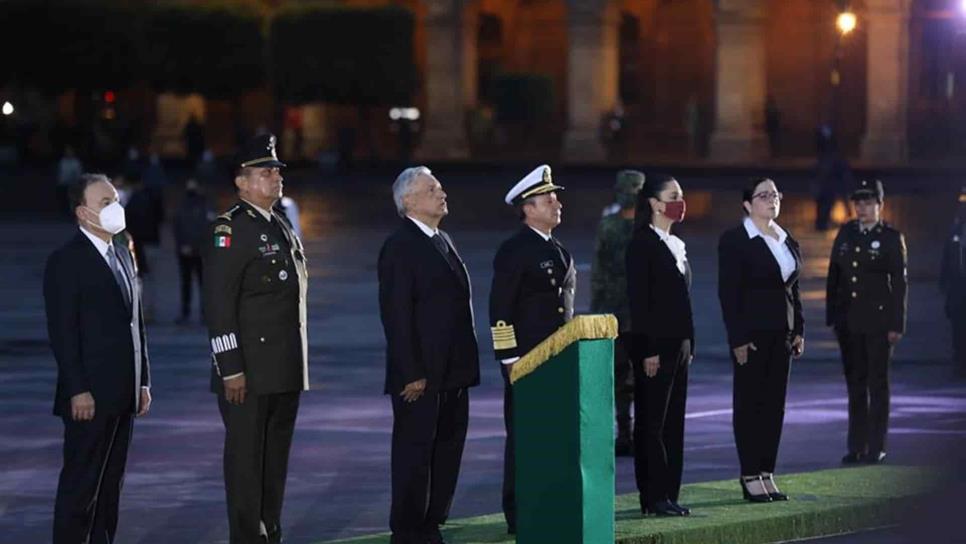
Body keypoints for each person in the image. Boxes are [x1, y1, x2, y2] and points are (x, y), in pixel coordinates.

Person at [202, 134, 309, 544]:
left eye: (277, 170)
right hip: (248, 371)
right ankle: (247, 535)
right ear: (241, 182)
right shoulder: (229, 231)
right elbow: (219, 306)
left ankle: (270, 529)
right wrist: (231, 370)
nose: (275, 177)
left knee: (275, 459)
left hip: (283, 367)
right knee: (247, 462)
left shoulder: (279, 224)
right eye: (265, 172)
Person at [43, 173, 152, 543]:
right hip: (88, 396)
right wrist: (78, 389)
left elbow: (135, 321)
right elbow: (63, 333)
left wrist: (143, 380)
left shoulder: (122, 252)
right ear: (83, 213)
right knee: (81, 486)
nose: (115, 208)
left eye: (116, 200)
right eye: (105, 203)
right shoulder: (66, 261)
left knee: (110, 487)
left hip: (123, 391)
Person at [377, 166, 480, 544]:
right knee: (415, 452)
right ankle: (408, 529)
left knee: (447, 449)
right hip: (421, 375)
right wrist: (411, 372)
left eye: (439, 186)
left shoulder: (442, 238)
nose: (442, 193)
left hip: (452, 372)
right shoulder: (400, 246)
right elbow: (397, 315)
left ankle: (431, 521)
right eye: (432, 188)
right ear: (409, 201)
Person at [489, 164, 574, 535]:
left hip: (558, 360)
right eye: (548, 199)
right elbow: (500, 309)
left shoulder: (556, 248)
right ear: (527, 208)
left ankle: (549, 502)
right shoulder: (515, 250)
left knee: (553, 437)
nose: (557, 203)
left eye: (556, 197)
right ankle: (519, 512)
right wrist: (510, 359)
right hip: (528, 360)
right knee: (525, 439)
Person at [718, 177, 804, 503]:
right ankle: (750, 473)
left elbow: (793, 290)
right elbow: (729, 293)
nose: (771, 200)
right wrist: (737, 338)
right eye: (763, 195)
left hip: (782, 336)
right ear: (747, 203)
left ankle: (767, 471)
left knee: (774, 408)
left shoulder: (786, 238)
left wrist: (799, 330)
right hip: (751, 337)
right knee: (750, 406)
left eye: (775, 195)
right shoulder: (736, 240)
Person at [625, 174, 694, 517]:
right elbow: (641, 301)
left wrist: (689, 343)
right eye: (672, 195)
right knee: (652, 422)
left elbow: (683, 300)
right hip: (656, 346)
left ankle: (670, 491)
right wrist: (649, 348)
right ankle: (652, 496)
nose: (679, 201)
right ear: (654, 203)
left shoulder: (675, 243)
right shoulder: (642, 243)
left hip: (679, 345)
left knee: (674, 422)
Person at [827, 180, 907, 465]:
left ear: (880, 205)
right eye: (858, 203)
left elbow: (899, 284)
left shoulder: (890, 238)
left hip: (878, 322)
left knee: (877, 384)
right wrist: (832, 316)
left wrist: (896, 323)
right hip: (849, 322)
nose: (862, 208)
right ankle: (856, 446)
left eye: (868, 202)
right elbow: (834, 275)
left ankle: (877, 446)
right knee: (855, 385)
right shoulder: (847, 233)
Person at [590, 169, 644, 456]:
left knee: (623, 376)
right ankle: (628, 431)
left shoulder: (611, 225)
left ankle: (627, 431)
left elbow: (598, 272)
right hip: (626, 313)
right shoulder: (640, 227)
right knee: (626, 375)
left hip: (621, 313)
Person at [173, 178, 213, 325]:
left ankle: (187, 312)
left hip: (188, 250)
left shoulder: (183, 205)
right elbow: (206, 228)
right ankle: (203, 313)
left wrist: (183, 245)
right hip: (199, 251)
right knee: (201, 283)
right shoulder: (204, 206)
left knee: (187, 283)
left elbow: (178, 228)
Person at [940, 187, 966, 374]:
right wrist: (944, 282)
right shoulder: (956, 229)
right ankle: (960, 360)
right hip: (959, 287)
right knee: (958, 325)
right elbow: (948, 257)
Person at [55, 146, 83, 217]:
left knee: (71, 199)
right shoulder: (62, 161)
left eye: (70, 151)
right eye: (67, 151)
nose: (68, 153)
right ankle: (62, 213)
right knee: (62, 199)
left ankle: (71, 214)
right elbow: (59, 172)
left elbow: (78, 173)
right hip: (63, 183)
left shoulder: (75, 162)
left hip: (72, 183)